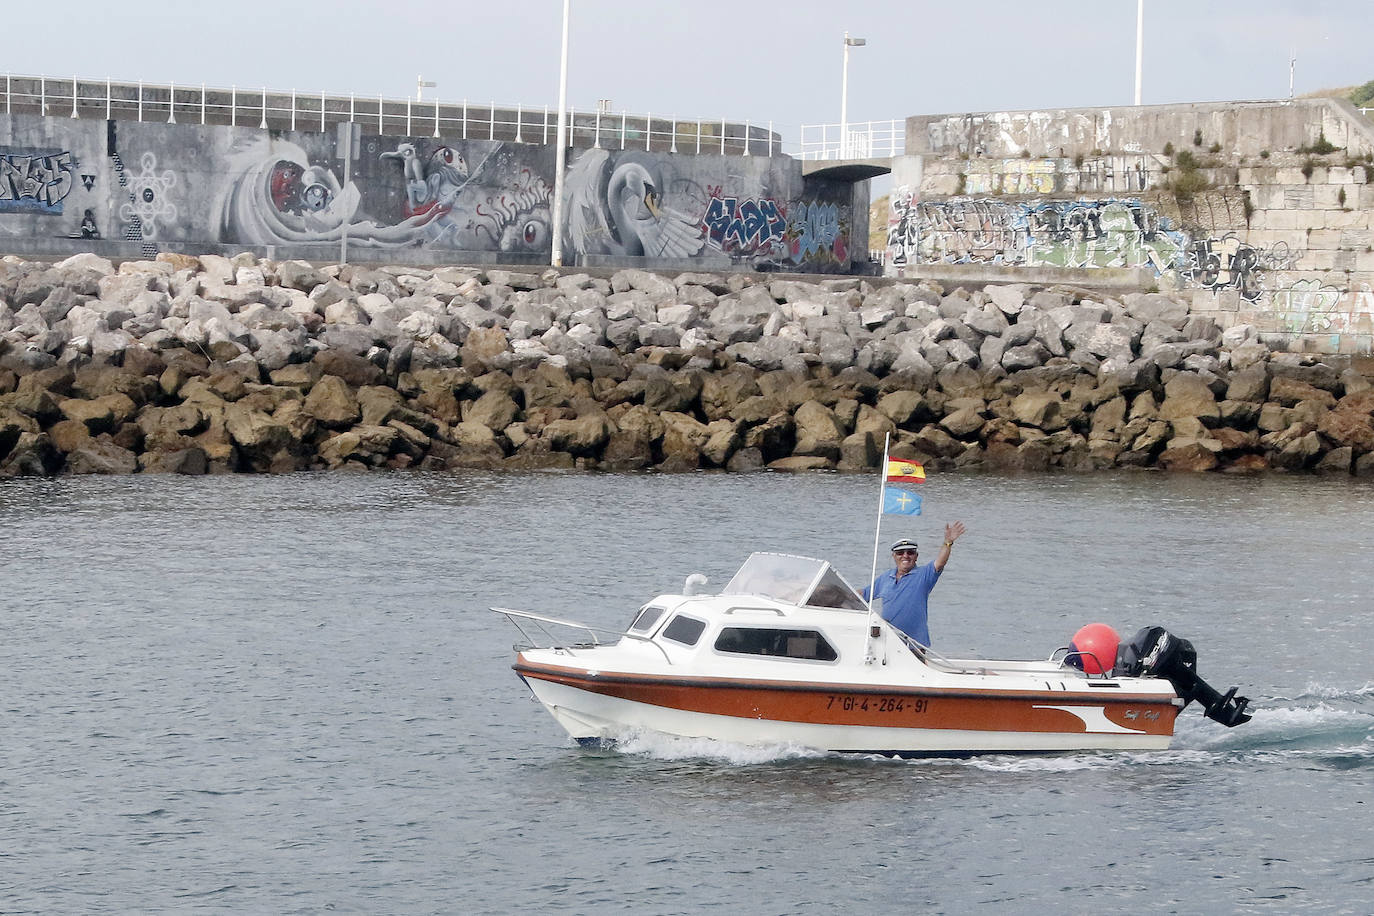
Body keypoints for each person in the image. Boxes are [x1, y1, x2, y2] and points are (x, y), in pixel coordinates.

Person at [863, 522, 967, 647]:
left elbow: (940, 562)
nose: (905, 556)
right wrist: (842, 592)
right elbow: (863, 594)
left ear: (916, 556)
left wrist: (948, 542)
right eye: (900, 553)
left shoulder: (924, 575)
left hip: (915, 646)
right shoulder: (885, 577)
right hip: (888, 642)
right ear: (894, 556)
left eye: (910, 552)